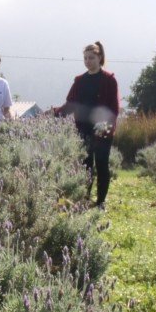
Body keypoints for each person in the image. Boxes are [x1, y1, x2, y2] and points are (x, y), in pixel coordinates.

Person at [52, 41, 121, 210]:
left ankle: (100, 202)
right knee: (85, 165)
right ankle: (84, 199)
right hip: (82, 129)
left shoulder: (109, 80)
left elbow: (114, 108)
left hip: (103, 130)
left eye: (91, 58)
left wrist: (104, 127)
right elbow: (70, 105)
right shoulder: (79, 81)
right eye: (85, 58)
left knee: (102, 165)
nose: (88, 61)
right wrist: (54, 113)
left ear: (100, 58)